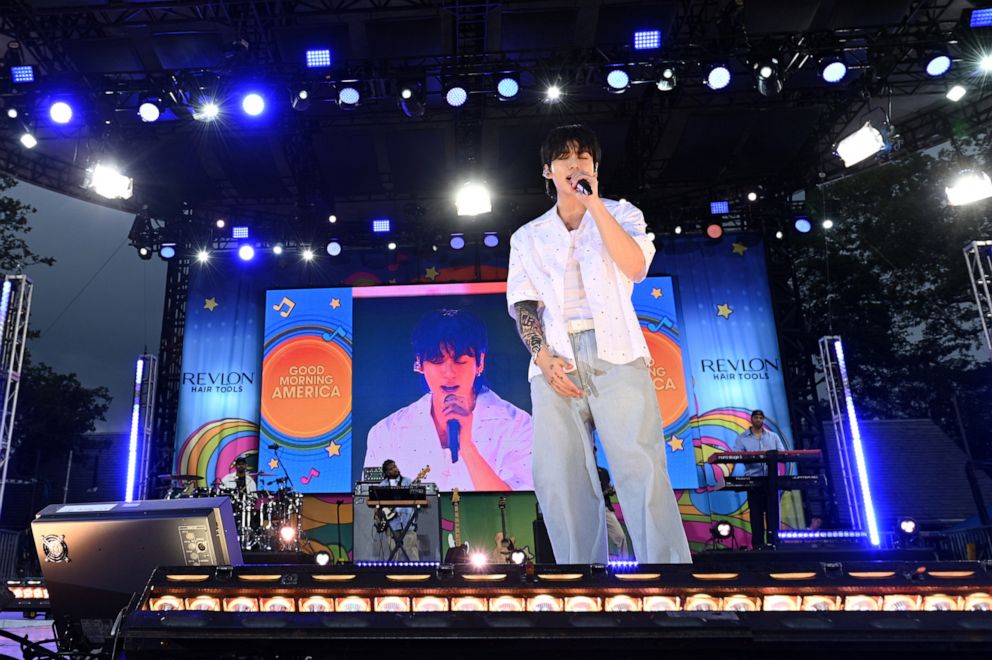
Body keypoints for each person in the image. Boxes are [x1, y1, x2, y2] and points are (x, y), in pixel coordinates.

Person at [507, 123, 691, 565]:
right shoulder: (527, 236)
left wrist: (593, 206)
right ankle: (579, 579)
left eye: (584, 157)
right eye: (565, 158)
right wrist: (542, 354)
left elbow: (634, 267)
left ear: (595, 167)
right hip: (554, 361)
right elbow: (524, 306)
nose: (576, 165)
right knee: (560, 475)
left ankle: (667, 580)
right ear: (548, 171)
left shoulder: (622, 214)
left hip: (616, 352)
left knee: (640, 466)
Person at [365, 308, 533, 491]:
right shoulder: (387, 432)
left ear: (480, 362)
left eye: (460, 361)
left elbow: (519, 508)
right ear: (419, 363)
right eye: (437, 361)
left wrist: (467, 448)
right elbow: (374, 509)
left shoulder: (518, 426)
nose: (449, 373)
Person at [733, 409, 787, 548]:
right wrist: (753, 457)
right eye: (756, 417)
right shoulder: (742, 437)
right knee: (756, 515)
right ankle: (757, 545)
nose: (758, 420)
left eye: (761, 417)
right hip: (754, 481)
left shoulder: (773, 436)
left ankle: (774, 543)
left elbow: (782, 454)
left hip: (772, 481)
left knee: (772, 513)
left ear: (763, 420)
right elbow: (735, 455)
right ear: (751, 419)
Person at [376, 459, 419, 560]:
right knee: (394, 551)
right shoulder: (382, 485)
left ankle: (416, 572)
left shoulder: (407, 482)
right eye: (392, 468)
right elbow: (376, 503)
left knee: (411, 549)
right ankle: (394, 572)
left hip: (407, 521)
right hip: (391, 523)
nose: (395, 469)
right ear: (387, 472)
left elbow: (416, 497)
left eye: (395, 466)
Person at [598, 466, 630, 560]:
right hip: (591, 511)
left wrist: (611, 491)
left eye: (595, 452)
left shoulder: (603, 472)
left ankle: (625, 565)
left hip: (606, 508)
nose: (594, 455)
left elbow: (607, 489)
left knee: (620, 537)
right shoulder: (584, 473)